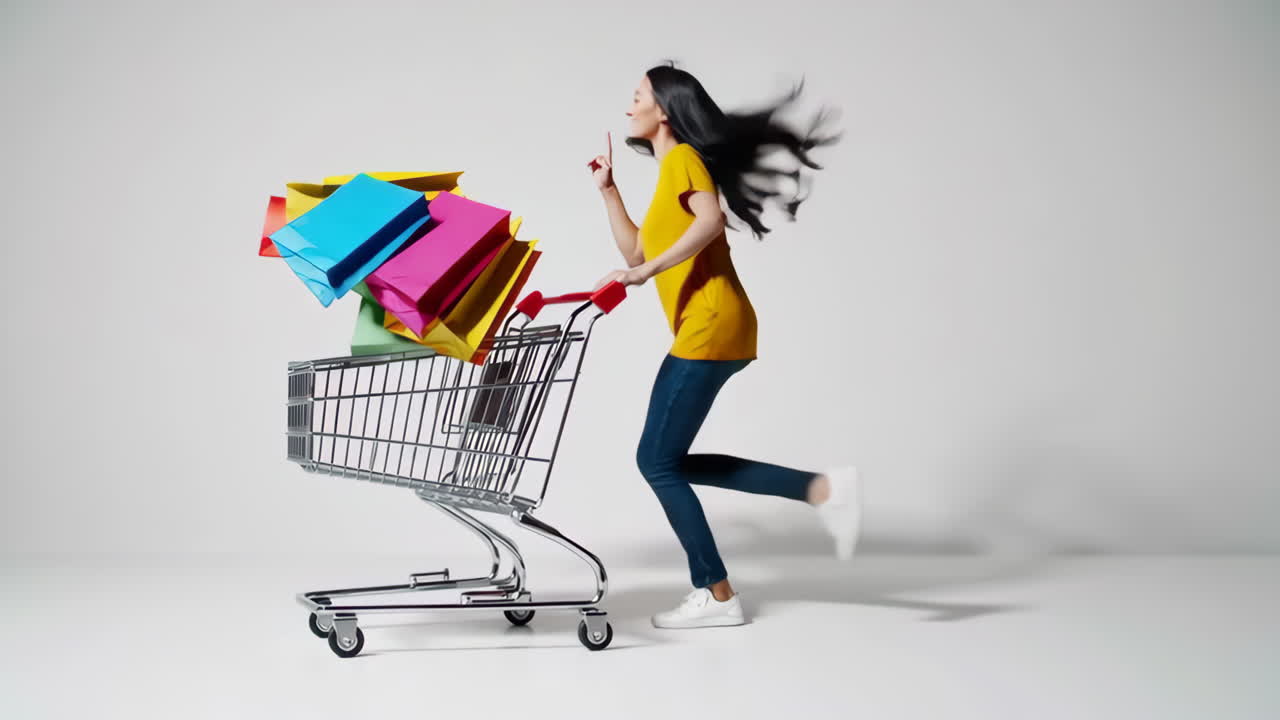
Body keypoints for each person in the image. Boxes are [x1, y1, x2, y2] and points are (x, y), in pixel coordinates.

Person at [587, 62, 861, 629]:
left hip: (713, 322)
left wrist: (650, 271)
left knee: (655, 462)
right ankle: (821, 489)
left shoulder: (685, 160)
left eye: (636, 96)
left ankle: (717, 595)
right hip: (714, 327)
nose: (628, 107)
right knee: (666, 461)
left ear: (663, 109)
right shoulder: (669, 172)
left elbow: (709, 222)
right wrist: (609, 192)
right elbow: (636, 253)